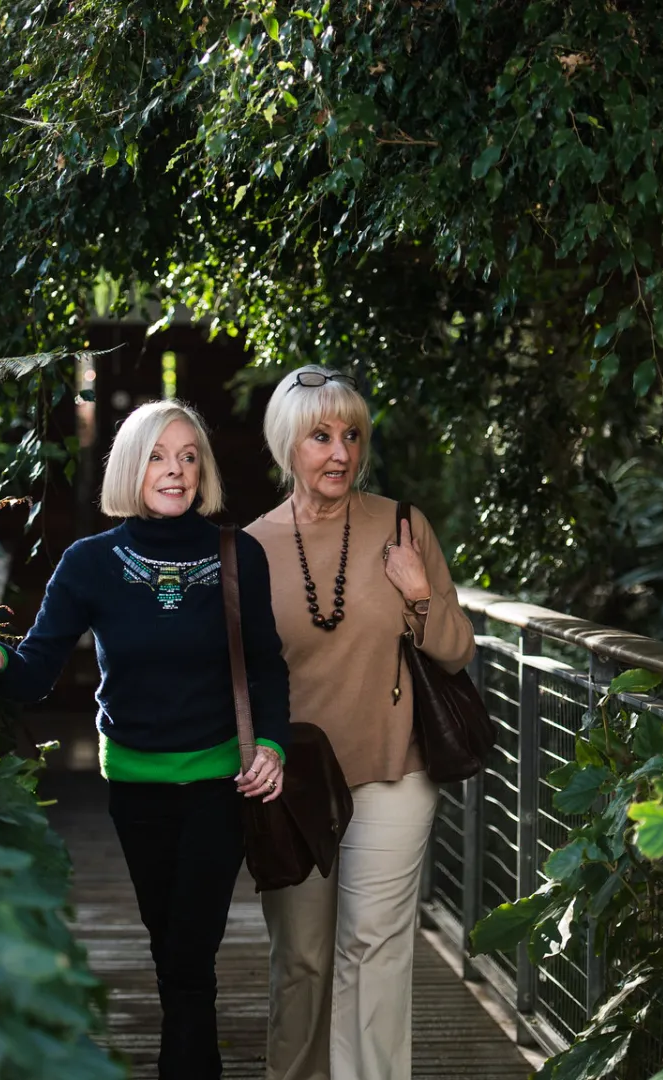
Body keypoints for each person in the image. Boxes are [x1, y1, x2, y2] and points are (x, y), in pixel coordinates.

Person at [0, 399, 289, 1080]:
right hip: (135, 784)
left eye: (189, 457)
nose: (176, 470)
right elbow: (39, 667)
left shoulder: (238, 554)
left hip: (221, 781)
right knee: (169, 945)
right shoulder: (91, 562)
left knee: (192, 950)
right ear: (132, 467)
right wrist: (1, 660)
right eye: (159, 456)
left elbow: (269, 661)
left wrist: (272, 746)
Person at [245, 367, 476, 1080]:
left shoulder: (404, 525)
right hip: (293, 783)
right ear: (288, 444)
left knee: (372, 948)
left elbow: (458, 648)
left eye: (352, 435)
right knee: (305, 962)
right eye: (321, 436)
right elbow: (236, 675)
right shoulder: (248, 549)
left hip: (393, 767)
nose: (340, 452)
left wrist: (418, 593)